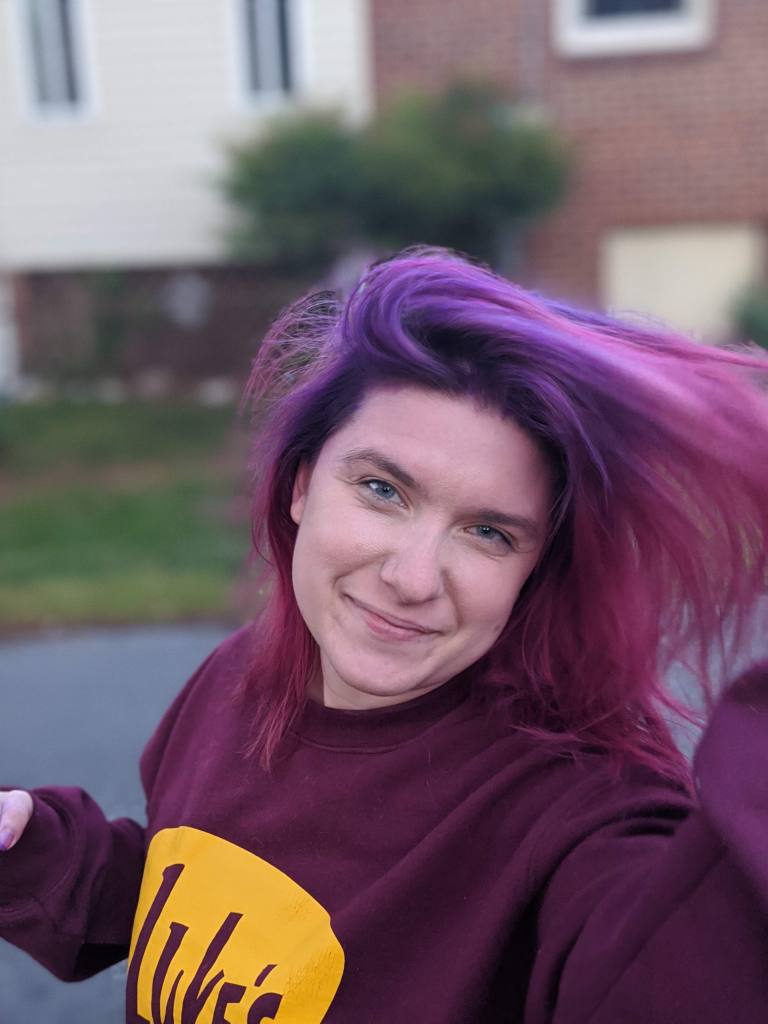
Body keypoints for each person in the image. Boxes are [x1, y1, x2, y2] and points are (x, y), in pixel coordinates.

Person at [1, 248, 767, 1023]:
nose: (413, 577)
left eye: (490, 533)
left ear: (537, 568)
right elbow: (196, 900)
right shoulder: (237, 676)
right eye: (382, 489)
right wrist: (39, 852)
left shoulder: (581, 808)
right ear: (302, 485)